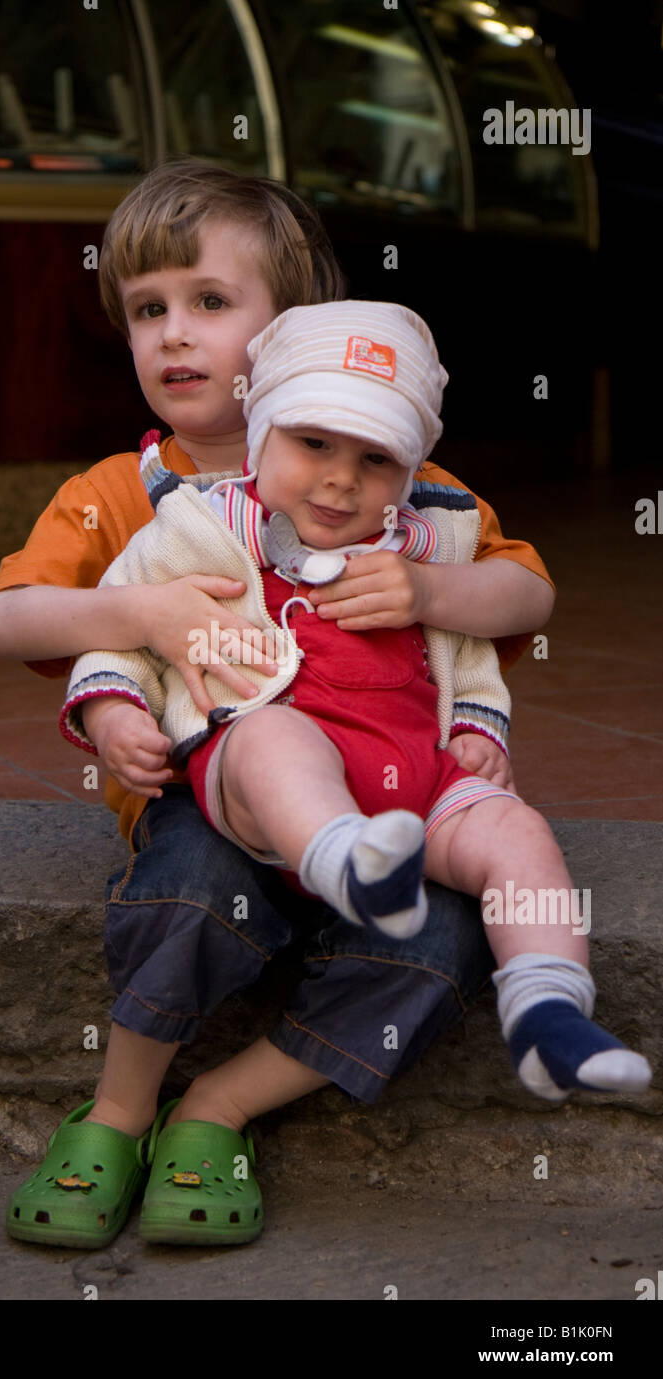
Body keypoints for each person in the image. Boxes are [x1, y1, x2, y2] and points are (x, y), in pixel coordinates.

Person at [0, 160, 558, 1251]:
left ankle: (221, 1104)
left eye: (208, 302)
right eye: (147, 310)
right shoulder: (115, 493)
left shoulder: (392, 483)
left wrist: (430, 591)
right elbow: (7, 621)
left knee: (442, 943)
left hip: (389, 821)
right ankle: (119, 1107)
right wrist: (140, 631)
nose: (173, 336)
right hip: (209, 814)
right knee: (193, 883)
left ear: (300, 332)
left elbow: (525, 587)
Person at [65, 300, 651, 1186]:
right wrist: (114, 716)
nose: (341, 481)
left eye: (375, 459)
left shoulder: (432, 542)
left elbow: (469, 657)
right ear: (259, 435)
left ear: (407, 469)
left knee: (516, 833)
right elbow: (112, 641)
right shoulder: (197, 525)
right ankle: (339, 856)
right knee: (276, 735)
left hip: (411, 793)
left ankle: (547, 1009)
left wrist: (474, 733)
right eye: (313, 445)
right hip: (254, 787)